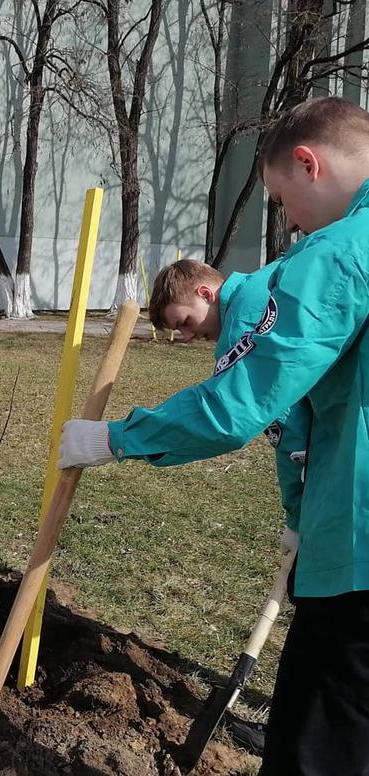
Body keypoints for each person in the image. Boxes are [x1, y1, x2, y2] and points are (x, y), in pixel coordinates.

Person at [59, 95, 369, 774]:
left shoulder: (336, 253)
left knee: (318, 749)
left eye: (283, 200)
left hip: (358, 547)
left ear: (307, 163)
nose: (289, 222)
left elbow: (243, 408)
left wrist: (115, 438)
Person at [148, 259, 309, 552]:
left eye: (184, 322)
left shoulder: (243, 323)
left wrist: (297, 519)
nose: (188, 337)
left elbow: (285, 432)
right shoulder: (264, 282)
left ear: (206, 294)